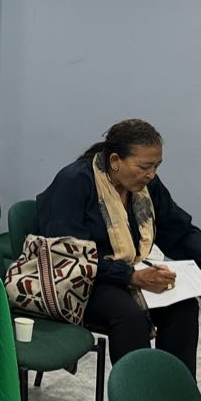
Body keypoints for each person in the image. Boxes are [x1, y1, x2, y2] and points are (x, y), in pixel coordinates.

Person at [37, 119, 201, 376]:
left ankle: (177, 393)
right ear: (115, 161)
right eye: (145, 167)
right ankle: (138, 397)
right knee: (129, 316)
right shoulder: (75, 182)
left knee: (184, 307)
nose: (152, 174)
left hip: (127, 271)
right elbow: (70, 255)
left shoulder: (147, 186)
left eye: (157, 166)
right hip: (80, 279)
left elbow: (178, 231)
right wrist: (131, 277)